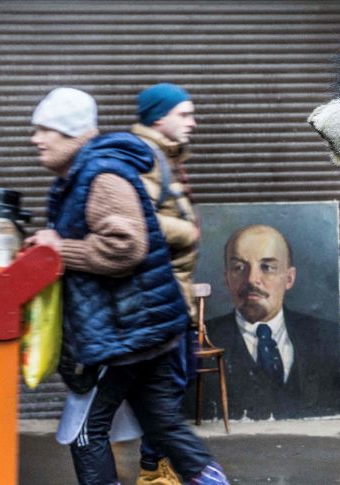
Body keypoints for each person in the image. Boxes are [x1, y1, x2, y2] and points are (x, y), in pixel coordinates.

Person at [25, 87, 228, 485]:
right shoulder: (80, 175)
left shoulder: (100, 175)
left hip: (125, 331)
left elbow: (126, 248)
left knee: (87, 433)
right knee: (163, 425)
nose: (36, 139)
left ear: (70, 132)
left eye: (44, 129)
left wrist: (59, 250)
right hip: (144, 324)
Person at [130, 83, 202, 485]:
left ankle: (159, 465)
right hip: (161, 295)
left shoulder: (165, 156)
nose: (192, 122)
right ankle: (154, 471)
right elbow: (136, 221)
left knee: (174, 383)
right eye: (184, 114)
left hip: (173, 293)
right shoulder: (147, 157)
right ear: (160, 117)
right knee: (166, 387)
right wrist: (186, 232)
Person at [202, 224, 340, 420]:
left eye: (267, 267)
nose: (252, 280)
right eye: (239, 268)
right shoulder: (200, 343)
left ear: (289, 278)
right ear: (227, 279)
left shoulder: (328, 337)